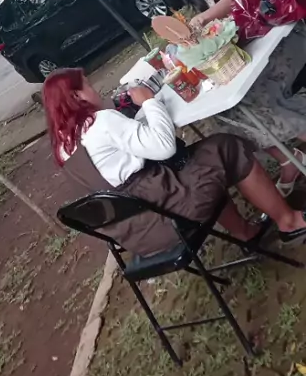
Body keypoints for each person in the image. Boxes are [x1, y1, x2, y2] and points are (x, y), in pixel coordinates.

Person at [43, 68, 306, 256]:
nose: (95, 89)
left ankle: (246, 233)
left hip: (136, 233)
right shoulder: (100, 122)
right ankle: (289, 223)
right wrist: (148, 101)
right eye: (87, 85)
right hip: (167, 212)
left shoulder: (64, 149)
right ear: (77, 97)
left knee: (198, 160)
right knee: (227, 147)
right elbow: (164, 146)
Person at [149, 0, 306, 190]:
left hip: (284, 36)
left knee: (257, 99)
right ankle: (289, 159)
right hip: (253, 53)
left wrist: (202, 20)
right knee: (226, 115)